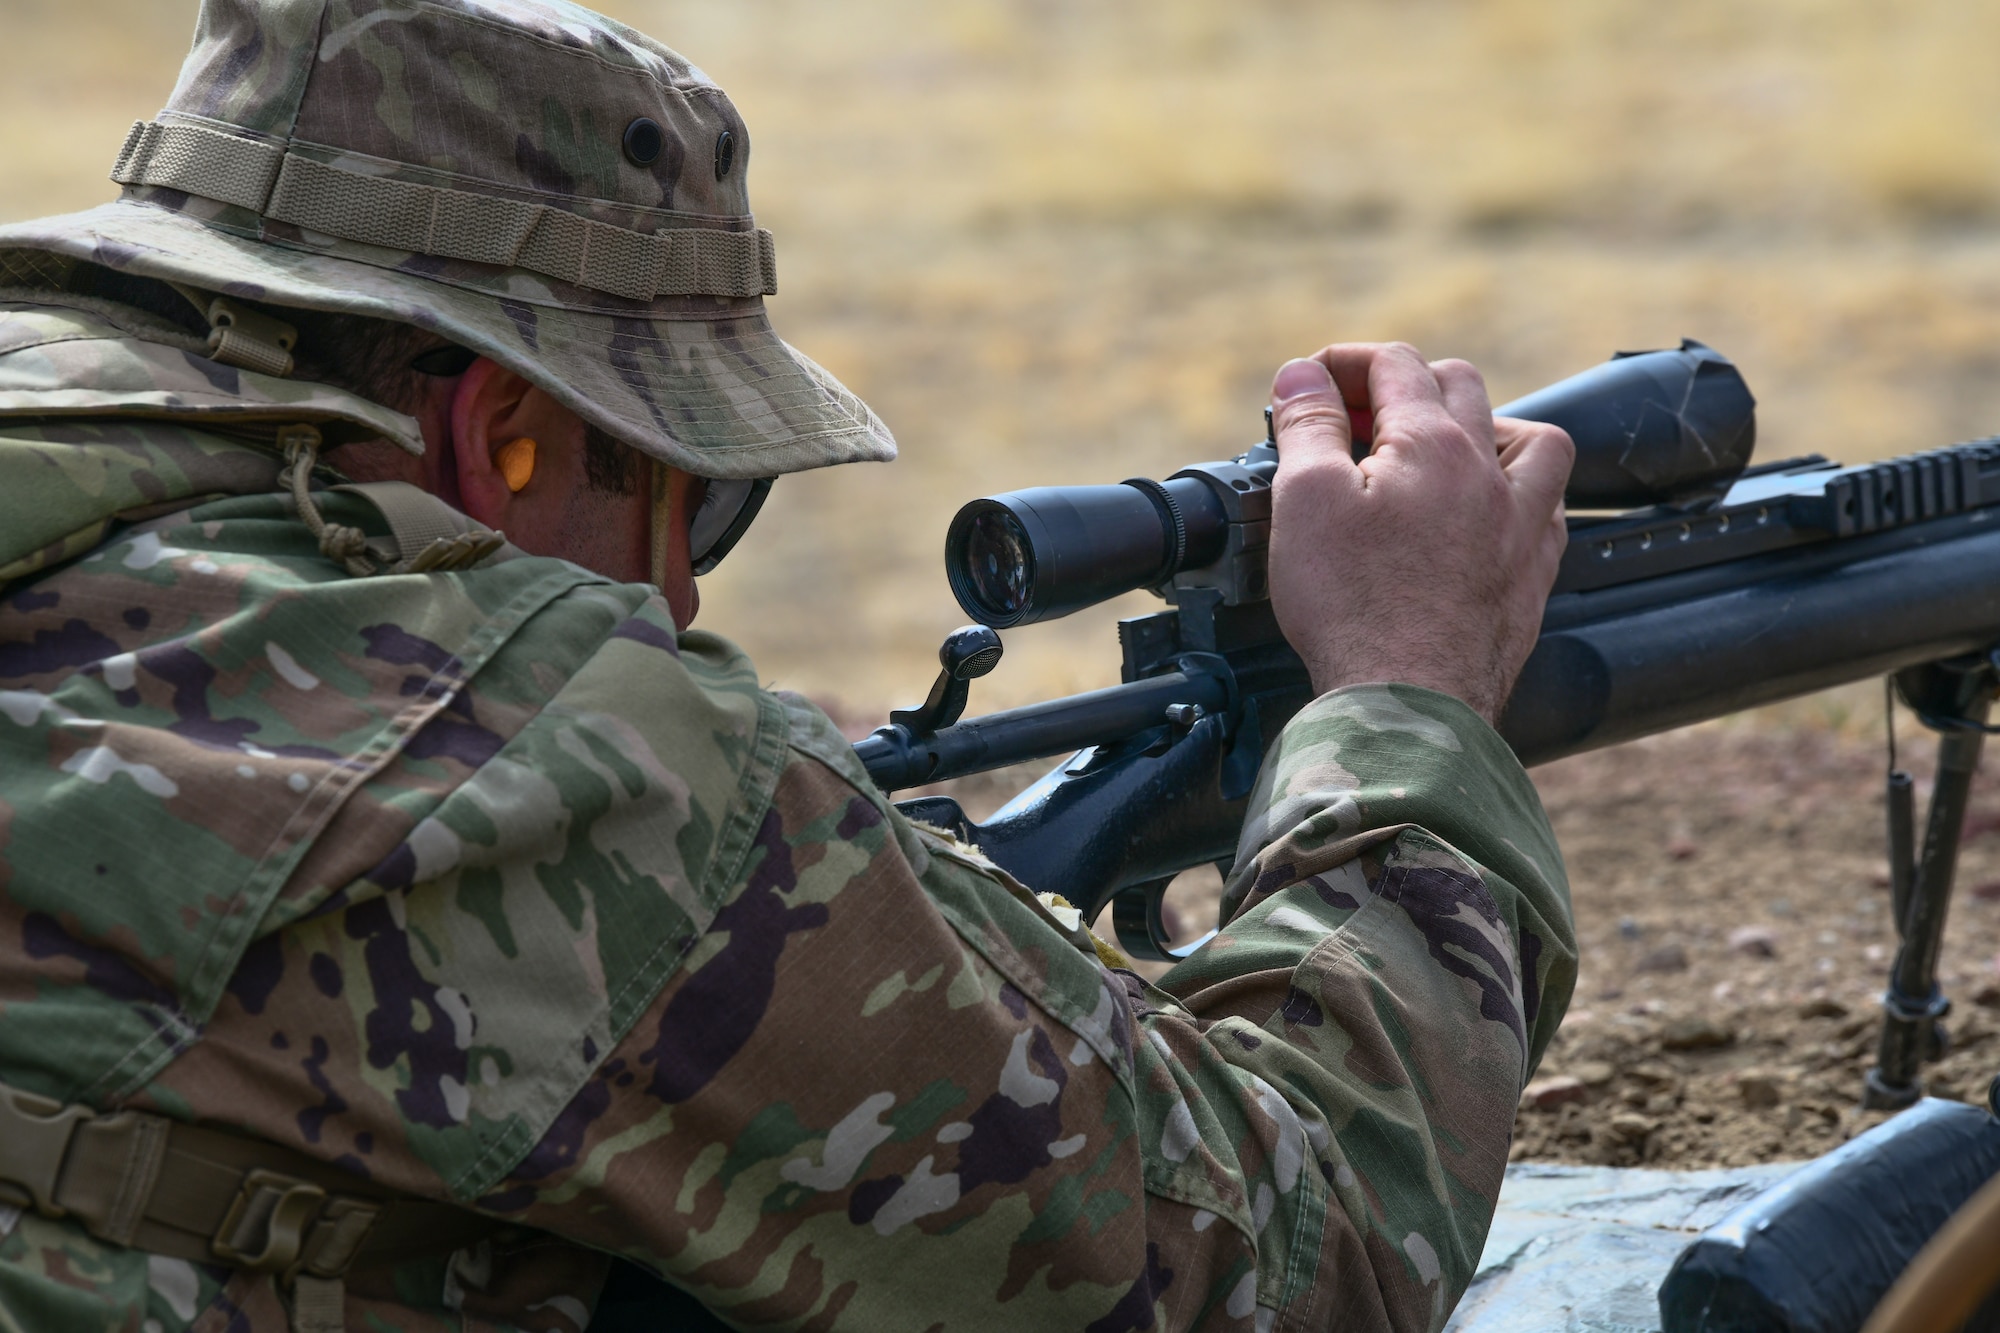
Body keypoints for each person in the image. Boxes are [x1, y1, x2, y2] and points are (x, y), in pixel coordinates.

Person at [0, 2, 1577, 1330]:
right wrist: (1408, 690)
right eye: (697, 492)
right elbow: (1293, 1262)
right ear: (502, 434)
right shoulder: (540, 740)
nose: (682, 594)